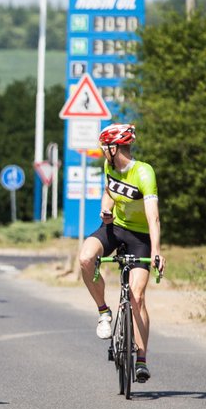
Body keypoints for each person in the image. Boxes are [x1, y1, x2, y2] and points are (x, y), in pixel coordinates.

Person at [78, 123, 165, 383]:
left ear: (114, 148)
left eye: (105, 147)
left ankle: (141, 359)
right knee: (85, 258)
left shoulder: (144, 173)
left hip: (141, 237)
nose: (102, 151)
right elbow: (109, 193)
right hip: (115, 228)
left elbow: (153, 217)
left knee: (137, 297)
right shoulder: (109, 166)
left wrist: (157, 250)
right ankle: (104, 311)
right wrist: (106, 211)